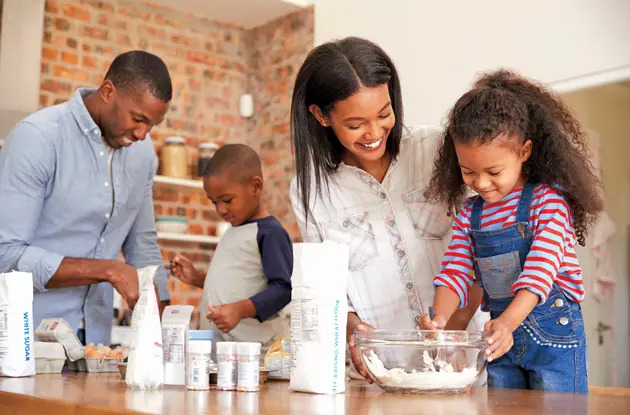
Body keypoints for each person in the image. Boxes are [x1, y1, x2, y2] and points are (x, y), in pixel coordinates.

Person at [288, 36, 487, 380]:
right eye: (355, 125)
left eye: (384, 114)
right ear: (320, 116)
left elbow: (486, 241)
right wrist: (354, 334)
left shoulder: (437, 149)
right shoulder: (312, 192)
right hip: (386, 372)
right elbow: (328, 290)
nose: (374, 132)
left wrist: (454, 331)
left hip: (464, 366)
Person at [420, 70, 603, 393]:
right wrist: (440, 322)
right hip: (499, 337)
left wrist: (507, 322)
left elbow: (539, 272)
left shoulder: (547, 203)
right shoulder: (469, 215)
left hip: (553, 337)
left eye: (494, 171)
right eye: (468, 171)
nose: (481, 183)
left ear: (524, 152)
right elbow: (455, 273)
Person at [0, 50, 172, 345]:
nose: (143, 134)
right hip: (25, 341)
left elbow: (142, 245)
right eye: (138, 118)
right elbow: (6, 254)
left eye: (152, 125)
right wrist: (108, 270)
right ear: (108, 92)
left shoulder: (142, 156)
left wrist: (168, 330)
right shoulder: (38, 138)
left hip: (96, 343)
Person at [170, 144, 292, 348]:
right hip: (223, 352)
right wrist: (198, 278)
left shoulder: (270, 232)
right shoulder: (233, 231)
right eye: (214, 202)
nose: (221, 209)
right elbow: (238, 285)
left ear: (256, 187)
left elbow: (284, 289)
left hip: (254, 354)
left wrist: (240, 310)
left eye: (227, 200)